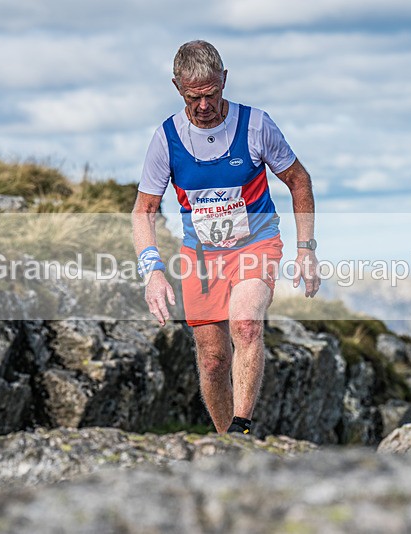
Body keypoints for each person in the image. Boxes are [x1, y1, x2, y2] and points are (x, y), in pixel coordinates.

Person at [132, 40, 320, 435]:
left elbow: (298, 180)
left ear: (225, 81)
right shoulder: (166, 138)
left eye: (212, 94)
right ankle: (226, 443)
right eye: (192, 97)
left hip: (256, 244)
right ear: (176, 87)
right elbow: (144, 210)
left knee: (247, 324)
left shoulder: (255, 125)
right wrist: (152, 271)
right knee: (213, 360)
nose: (204, 106)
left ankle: (242, 427)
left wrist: (306, 250)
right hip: (200, 258)